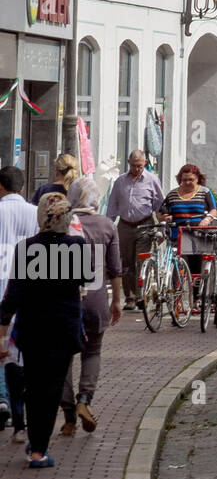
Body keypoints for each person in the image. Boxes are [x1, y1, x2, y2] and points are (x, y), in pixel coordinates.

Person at [0, 194, 94, 468]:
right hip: (63, 329)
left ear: (42, 216)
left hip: (33, 329)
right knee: (52, 389)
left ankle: (36, 442)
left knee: (34, 386)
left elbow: (13, 296)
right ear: (66, 218)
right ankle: (39, 448)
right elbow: (85, 277)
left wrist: (2, 331)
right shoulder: (76, 245)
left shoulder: (26, 248)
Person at [59, 176, 122, 437]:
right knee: (92, 351)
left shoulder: (63, 224)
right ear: (96, 198)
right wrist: (118, 300)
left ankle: (69, 416)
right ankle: (85, 400)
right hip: (96, 298)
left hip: (66, 300)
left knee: (63, 357)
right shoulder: (106, 225)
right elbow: (115, 268)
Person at [0, 166, 38, 439]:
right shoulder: (35, 214)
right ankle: (19, 412)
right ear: (22, 188)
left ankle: (3, 399)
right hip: (25, 290)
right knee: (18, 351)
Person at [105, 150, 164, 309]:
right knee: (126, 262)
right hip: (124, 225)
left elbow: (160, 205)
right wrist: (107, 226)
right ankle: (130, 298)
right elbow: (112, 205)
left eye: (139, 166)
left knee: (141, 261)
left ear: (145, 163)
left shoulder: (152, 180)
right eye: (133, 166)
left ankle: (141, 296)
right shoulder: (120, 181)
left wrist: (162, 226)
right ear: (129, 163)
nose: (136, 169)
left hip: (145, 224)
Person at [161, 164, 217, 276]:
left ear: (198, 178)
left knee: (196, 270)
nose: (187, 182)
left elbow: (214, 210)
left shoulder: (205, 192)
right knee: (177, 267)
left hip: (198, 235)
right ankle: (175, 291)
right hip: (178, 236)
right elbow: (161, 212)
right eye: (184, 180)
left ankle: (196, 292)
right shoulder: (172, 194)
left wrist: (207, 220)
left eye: (191, 179)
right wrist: (165, 217)